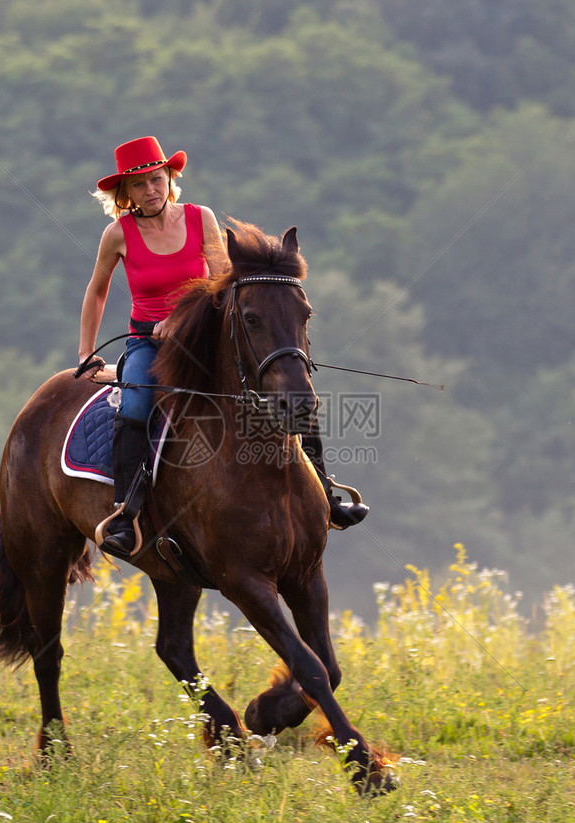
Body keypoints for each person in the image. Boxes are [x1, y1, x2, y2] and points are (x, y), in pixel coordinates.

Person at [79, 136, 367, 560]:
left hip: (202, 334)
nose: (150, 190)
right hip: (148, 341)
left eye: (156, 179)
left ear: (170, 178)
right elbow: (97, 292)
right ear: (126, 193)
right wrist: (86, 354)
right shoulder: (116, 235)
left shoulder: (201, 218)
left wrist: (180, 321)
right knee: (136, 405)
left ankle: (325, 493)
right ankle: (127, 512)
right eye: (139, 185)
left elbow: (221, 283)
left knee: (290, 387)